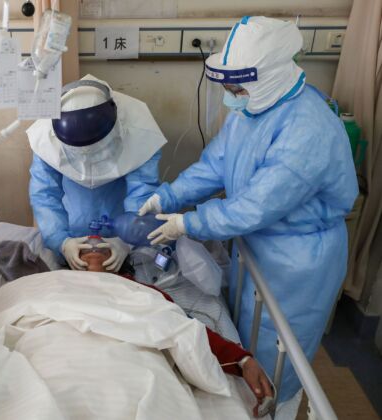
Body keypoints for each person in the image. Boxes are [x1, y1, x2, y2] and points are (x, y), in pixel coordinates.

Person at [140, 16, 358, 408]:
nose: (231, 95)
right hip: (256, 246)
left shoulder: (308, 129)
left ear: (268, 77)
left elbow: (255, 206)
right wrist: (168, 198)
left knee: (278, 356)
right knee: (244, 333)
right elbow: (214, 166)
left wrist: (187, 223)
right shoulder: (253, 109)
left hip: (297, 262)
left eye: (237, 87)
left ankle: (276, 408)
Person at [78, 242, 274, 416]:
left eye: (103, 249)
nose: (94, 246)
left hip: (130, 361)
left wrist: (242, 359)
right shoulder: (53, 283)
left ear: (119, 263)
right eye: (84, 249)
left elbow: (182, 327)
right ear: (70, 262)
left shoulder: (141, 291)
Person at [27, 74, 167, 272]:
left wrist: (128, 240)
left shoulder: (139, 131)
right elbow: (44, 196)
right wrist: (61, 242)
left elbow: (143, 193)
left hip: (123, 228)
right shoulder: (45, 140)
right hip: (69, 228)